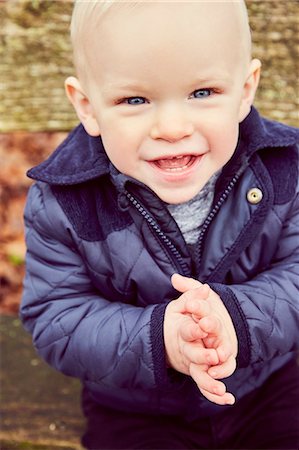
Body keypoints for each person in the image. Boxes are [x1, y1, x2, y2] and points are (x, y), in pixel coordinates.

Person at [20, 0, 299, 449]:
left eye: (202, 92)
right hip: (134, 405)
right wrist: (163, 338)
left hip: (265, 387)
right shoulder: (65, 200)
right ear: (88, 107)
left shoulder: (283, 170)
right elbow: (57, 318)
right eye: (135, 99)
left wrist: (237, 319)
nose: (171, 126)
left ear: (245, 90)